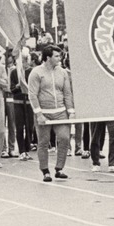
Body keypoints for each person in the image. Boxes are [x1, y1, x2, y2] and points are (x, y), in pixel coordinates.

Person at [27, 45, 74, 182]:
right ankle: (45, 171)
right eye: (57, 56)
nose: (60, 58)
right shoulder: (36, 73)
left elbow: (67, 93)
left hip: (60, 112)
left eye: (60, 56)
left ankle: (59, 169)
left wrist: (71, 112)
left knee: (64, 138)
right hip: (44, 114)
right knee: (43, 142)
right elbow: (32, 95)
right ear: (48, 58)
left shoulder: (63, 72)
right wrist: (39, 114)